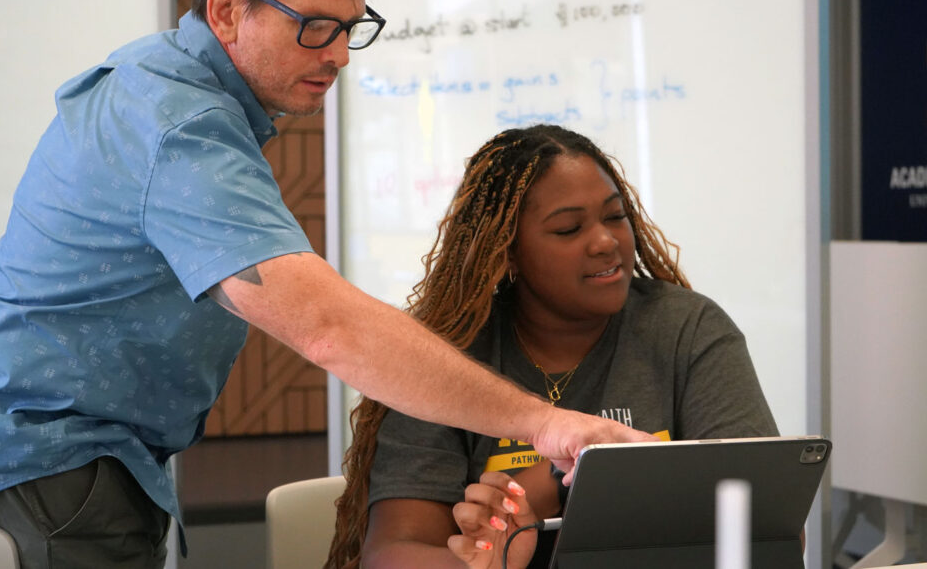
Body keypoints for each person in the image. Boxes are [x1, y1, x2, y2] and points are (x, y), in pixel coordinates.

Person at [0, 0, 653, 568]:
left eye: (351, 28)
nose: (336, 54)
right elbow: (326, 325)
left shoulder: (167, 88)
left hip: (66, 466)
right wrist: (546, 424)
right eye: (315, 27)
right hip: (49, 472)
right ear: (229, 7)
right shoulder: (184, 128)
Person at [328, 124, 779, 569]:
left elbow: (771, 530)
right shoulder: (444, 357)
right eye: (568, 229)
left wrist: (561, 485)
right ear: (506, 254)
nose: (606, 242)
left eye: (615, 216)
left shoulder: (687, 328)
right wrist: (483, 563)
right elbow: (389, 554)